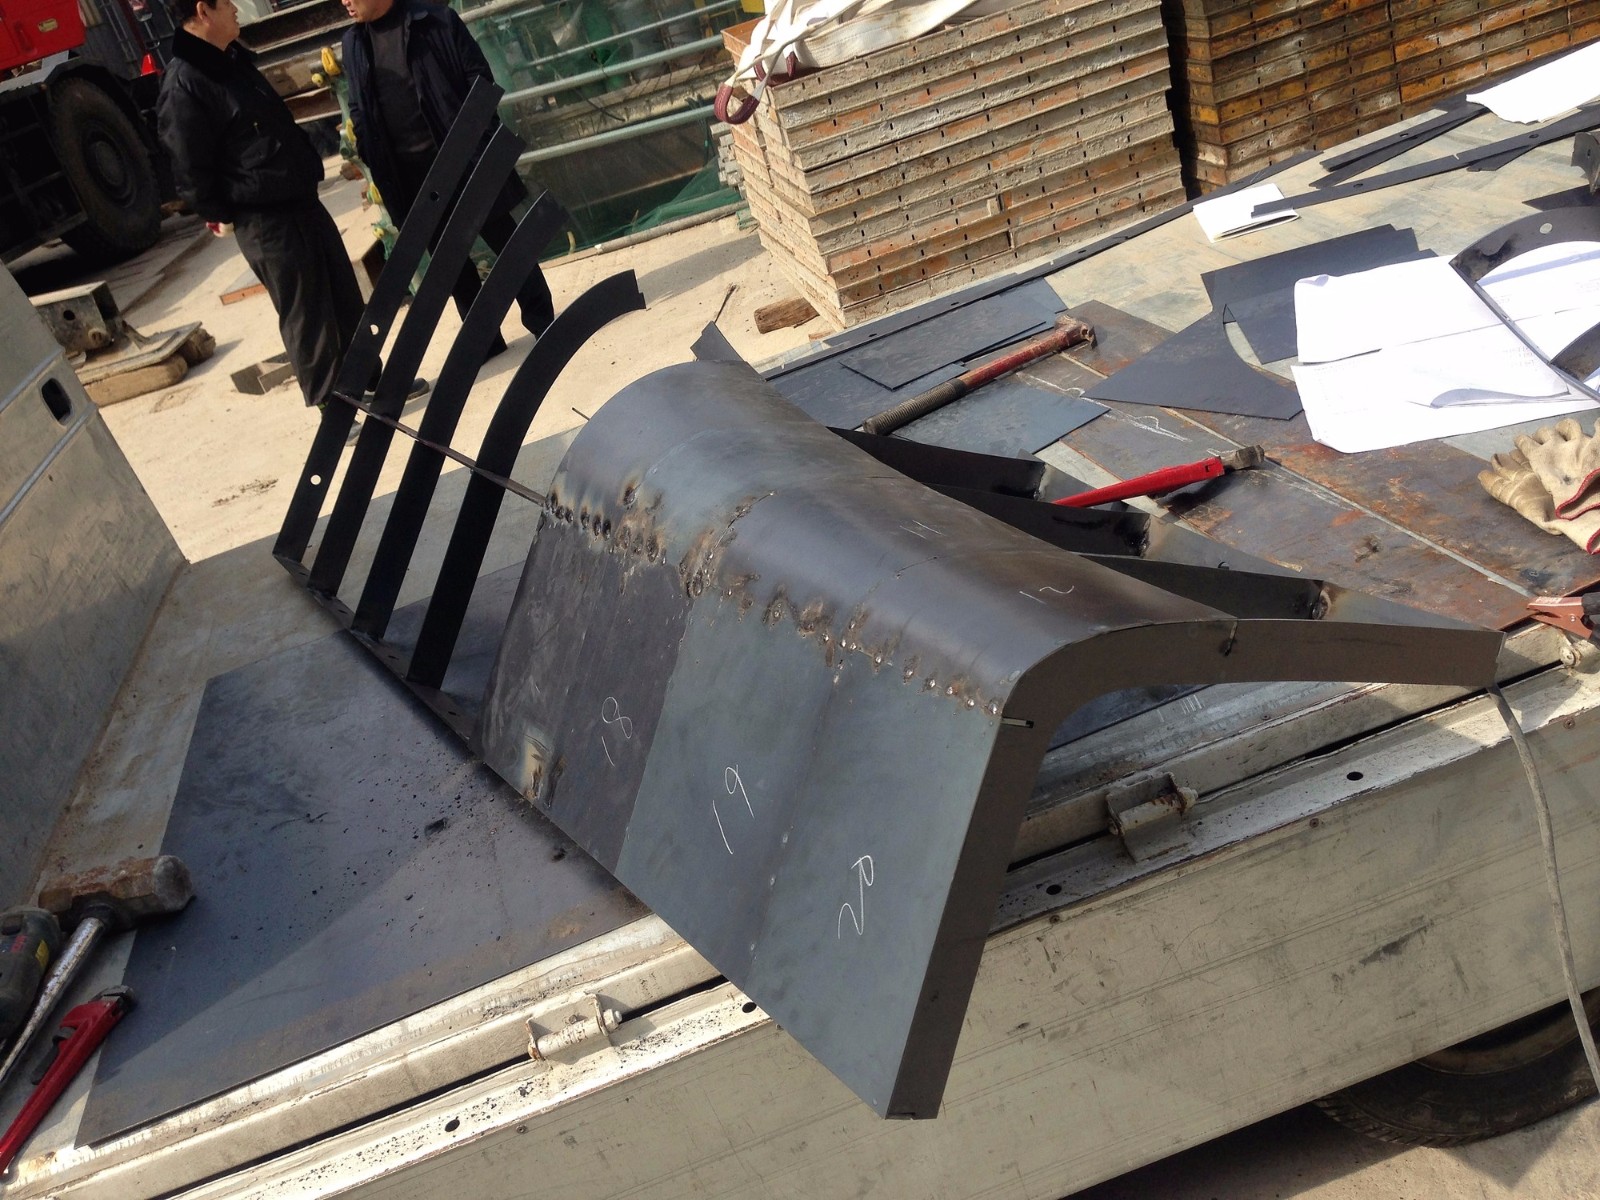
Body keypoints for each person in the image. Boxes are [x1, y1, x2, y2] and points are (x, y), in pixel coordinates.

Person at [157, 0, 379, 409]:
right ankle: (334, 409)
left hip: (299, 197)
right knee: (306, 312)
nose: (236, 9)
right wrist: (224, 213)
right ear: (204, 11)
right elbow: (190, 170)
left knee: (343, 295)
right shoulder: (184, 83)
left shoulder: (232, 59)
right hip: (263, 217)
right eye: (228, 3)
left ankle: (372, 385)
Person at [340, 0, 556, 357]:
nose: (344, 2)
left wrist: (475, 137)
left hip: (463, 157)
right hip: (408, 177)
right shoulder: (354, 43)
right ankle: (484, 341)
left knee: (505, 240)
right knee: (447, 262)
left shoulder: (435, 20)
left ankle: (543, 322)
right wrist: (367, 145)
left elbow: (478, 76)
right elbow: (357, 107)